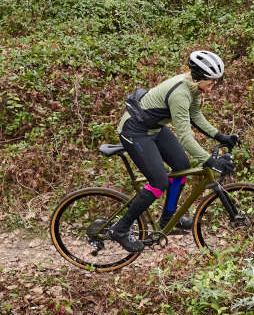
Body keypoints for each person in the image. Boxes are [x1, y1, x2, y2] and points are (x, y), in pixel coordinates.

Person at [103, 48, 242, 252]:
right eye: (211, 81)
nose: (214, 85)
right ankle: (120, 229)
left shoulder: (194, 89)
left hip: (153, 128)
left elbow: (195, 115)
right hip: (134, 131)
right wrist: (209, 160)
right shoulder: (180, 93)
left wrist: (219, 136)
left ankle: (169, 218)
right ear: (199, 77)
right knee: (159, 182)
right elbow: (185, 137)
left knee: (181, 166)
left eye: (216, 81)